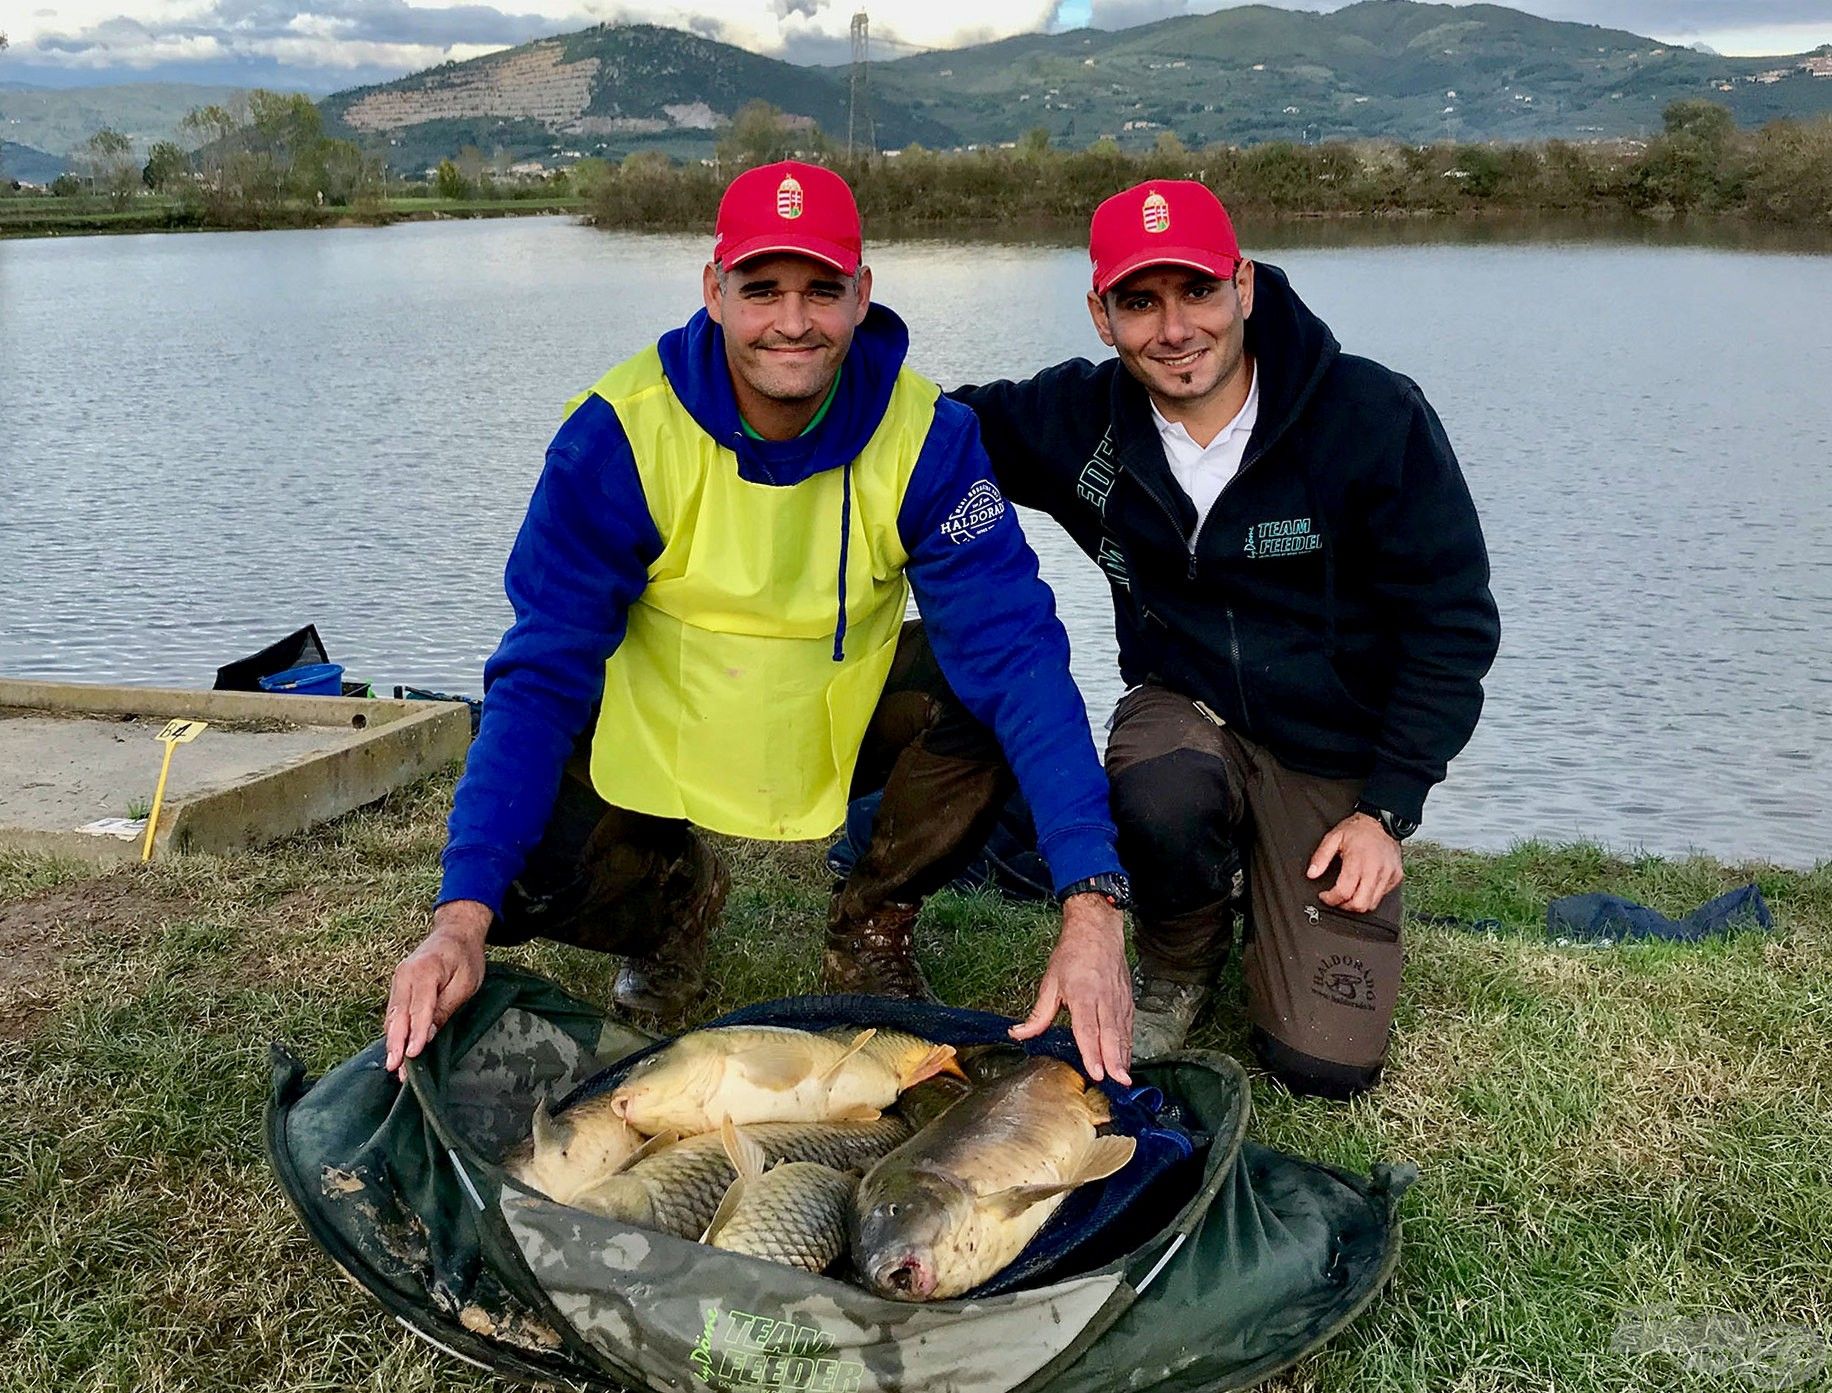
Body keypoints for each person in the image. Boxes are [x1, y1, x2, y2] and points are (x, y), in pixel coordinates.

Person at [382, 162, 1134, 1084]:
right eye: (762, 289)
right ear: (713, 289)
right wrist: (460, 918)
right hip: (664, 736)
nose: (792, 320)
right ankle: (672, 902)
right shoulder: (617, 434)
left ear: (862, 295)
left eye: (822, 289)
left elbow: (1020, 652)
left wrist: (1091, 902)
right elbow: (539, 674)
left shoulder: (929, 437)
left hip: (831, 723)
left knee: (980, 683)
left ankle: (872, 922)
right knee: (524, 864)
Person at [948, 180, 1500, 1099]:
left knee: (1322, 1064)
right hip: (1184, 715)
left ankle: (1275, 888)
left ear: (1242, 284)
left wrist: (1389, 807)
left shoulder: (1371, 415)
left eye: (1196, 290)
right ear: (1100, 313)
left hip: (1333, 754)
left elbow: (1452, 623)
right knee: (1160, 783)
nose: (1174, 329)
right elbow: (920, 431)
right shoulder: (1076, 419)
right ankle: (1180, 951)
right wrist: (791, 370)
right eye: (1140, 302)